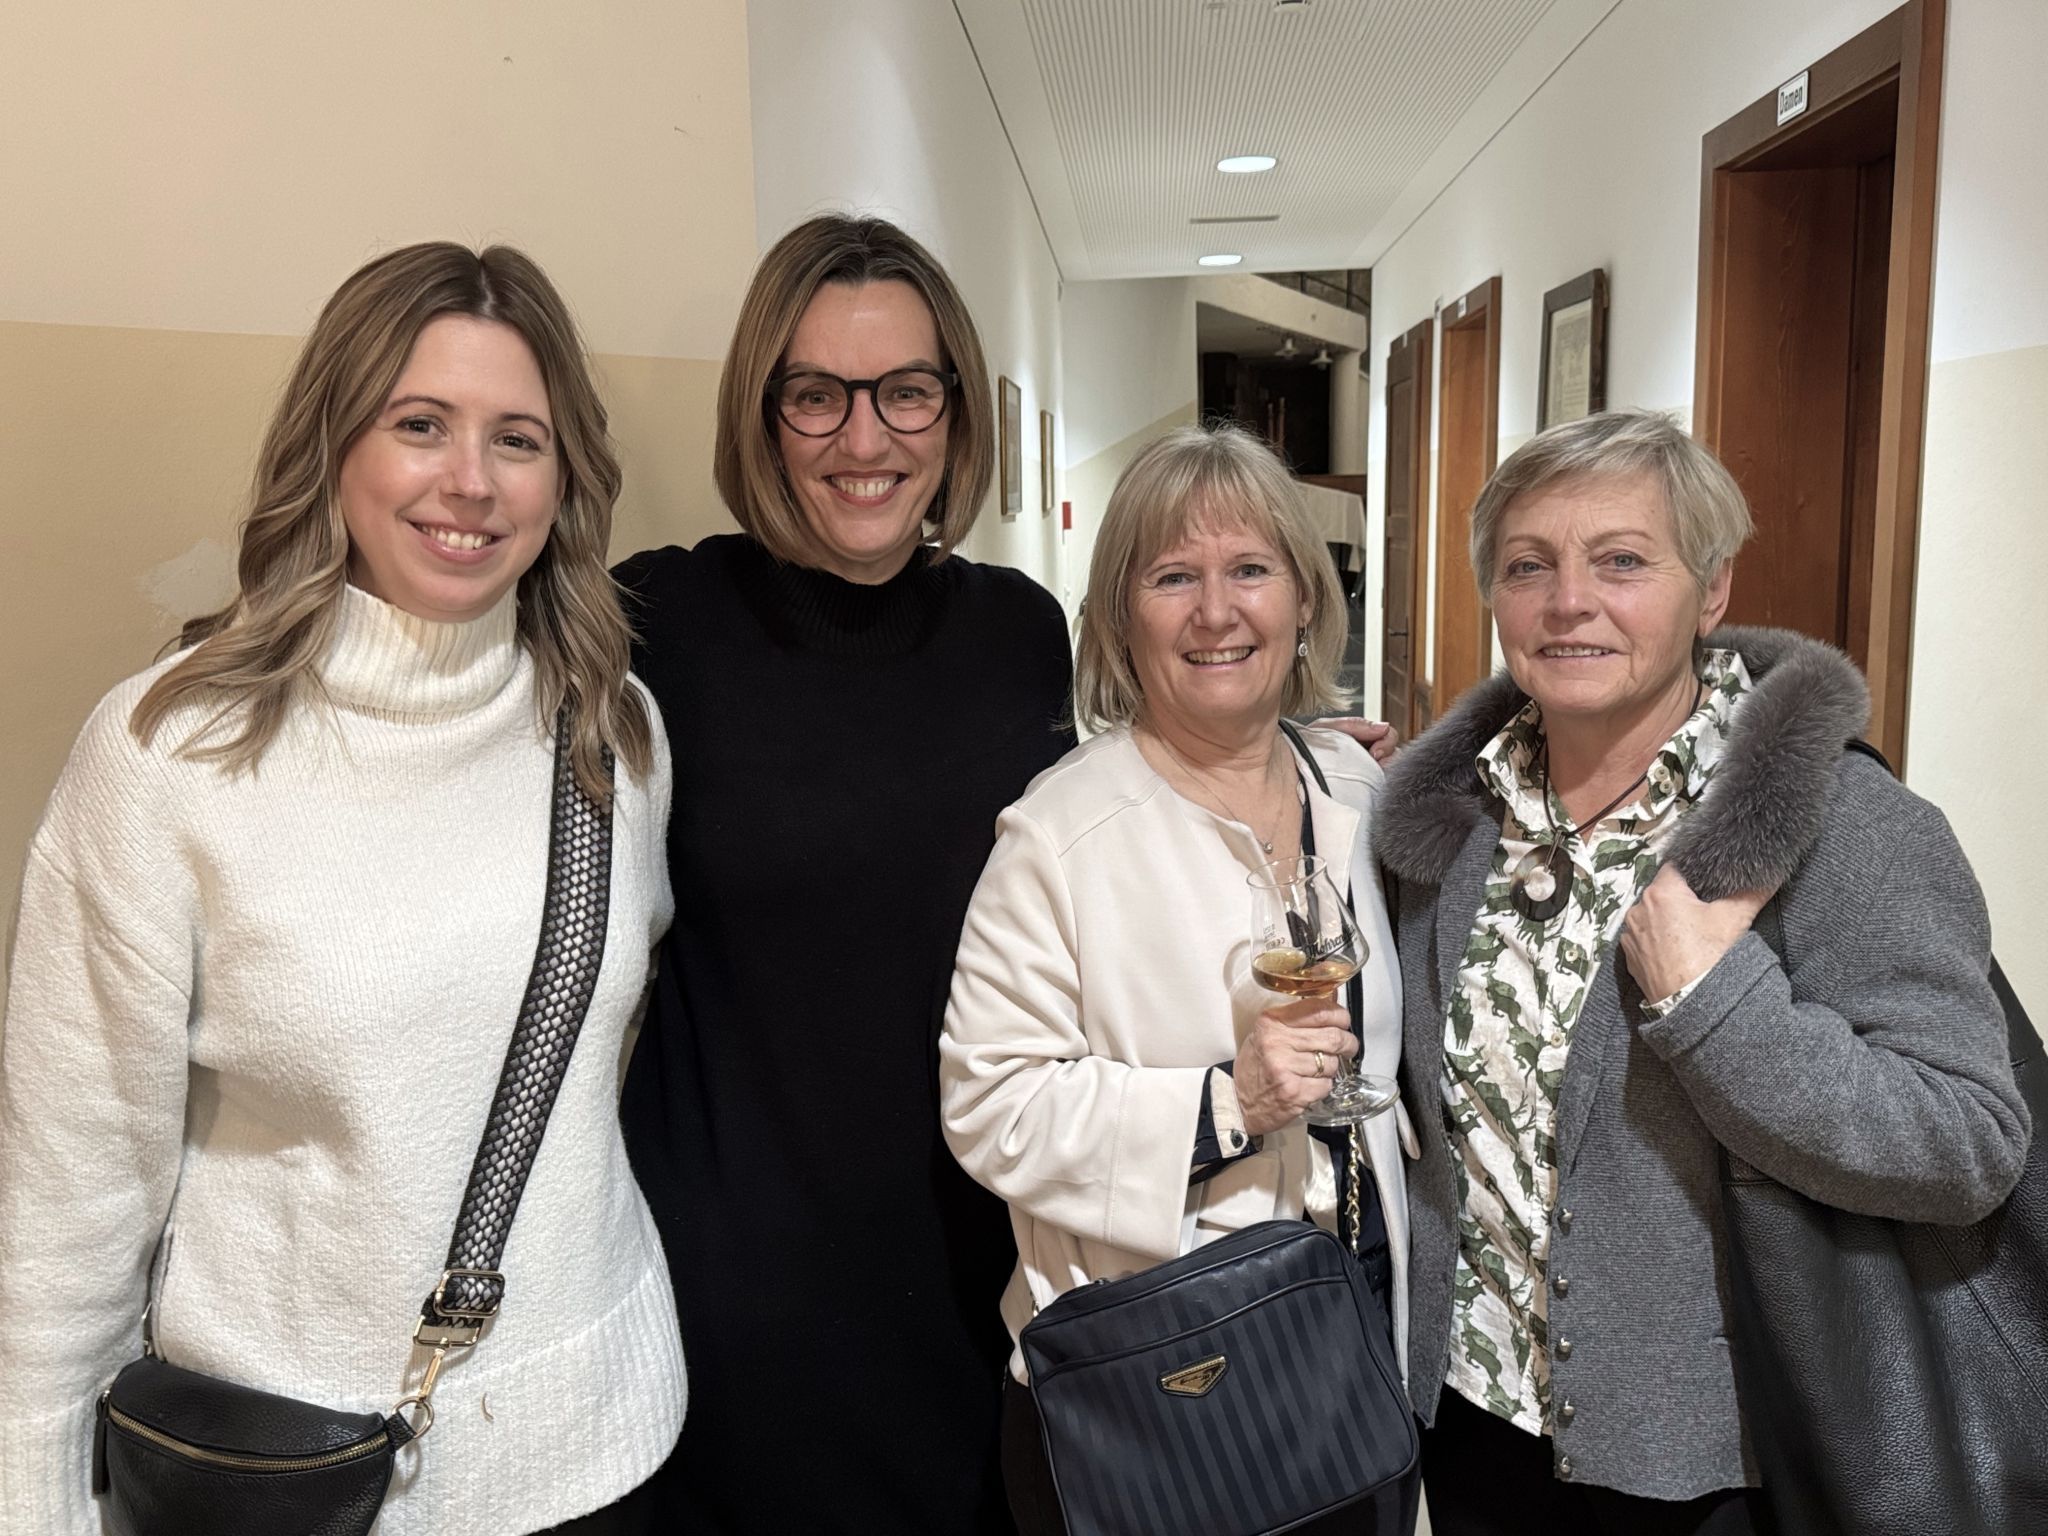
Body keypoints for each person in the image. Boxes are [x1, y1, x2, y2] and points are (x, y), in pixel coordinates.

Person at [0, 242, 685, 1536]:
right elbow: (71, 1201)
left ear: (565, 478)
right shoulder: (170, 754)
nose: (469, 483)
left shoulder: (610, 735)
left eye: (517, 439)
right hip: (284, 1477)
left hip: (596, 1452)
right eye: (419, 424)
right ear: (334, 444)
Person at [1371, 408, 2029, 1534]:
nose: (1567, 601)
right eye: (1528, 566)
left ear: (1711, 590)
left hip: (1716, 1460)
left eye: (1620, 561)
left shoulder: (1842, 828)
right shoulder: (1454, 826)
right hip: (1471, 1426)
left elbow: (1966, 1147)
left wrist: (1710, 1006)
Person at [613, 214, 1075, 1534]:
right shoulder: (659, 625)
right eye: (816, 395)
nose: (863, 441)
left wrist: (1281, 755)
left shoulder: (1015, 634)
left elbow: (1110, 825)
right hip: (737, 1286)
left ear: (952, 406)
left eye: (904, 391)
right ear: (763, 412)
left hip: (977, 1264)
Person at [939, 422, 1417, 1535]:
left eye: (1250, 569)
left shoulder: (1352, 783)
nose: (1216, 611)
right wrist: (1224, 1106)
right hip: (1165, 1380)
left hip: (1350, 1350)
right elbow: (988, 1103)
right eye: (1172, 577)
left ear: (1302, 599)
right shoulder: (1058, 833)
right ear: (1118, 617)